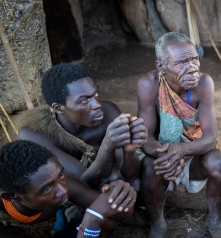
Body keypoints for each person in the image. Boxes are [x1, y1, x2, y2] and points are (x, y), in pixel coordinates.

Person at [136, 32, 221, 238]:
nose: (192, 68)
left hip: (192, 153)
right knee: (149, 168)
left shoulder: (204, 83)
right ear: (161, 66)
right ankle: (158, 226)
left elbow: (210, 138)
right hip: (163, 154)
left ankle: (215, 221)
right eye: (182, 62)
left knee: (216, 162)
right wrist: (167, 155)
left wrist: (182, 150)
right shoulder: (148, 85)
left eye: (194, 59)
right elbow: (146, 138)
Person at [0, 140, 137, 238]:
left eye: (62, 175)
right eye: (46, 189)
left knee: (105, 221)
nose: (63, 190)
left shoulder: (56, 184)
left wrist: (120, 194)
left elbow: (120, 213)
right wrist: (90, 221)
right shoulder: (4, 236)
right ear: (13, 197)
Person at [18, 63, 147, 190]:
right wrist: (107, 145)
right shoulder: (35, 135)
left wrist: (129, 150)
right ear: (59, 108)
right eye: (84, 100)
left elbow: (131, 176)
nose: (97, 104)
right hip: (72, 193)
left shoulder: (108, 112)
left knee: (136, 179)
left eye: (96, 94)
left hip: (106, 178)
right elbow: (86, 183)